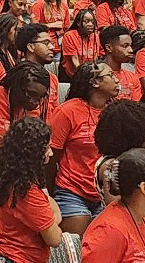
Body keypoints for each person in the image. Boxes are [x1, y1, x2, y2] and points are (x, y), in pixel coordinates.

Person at [0, 116, 65, 263]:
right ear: (33, 152)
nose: (51, 153)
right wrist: (53, 217)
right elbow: (55, 238)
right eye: (46, 148)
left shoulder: (8, 179)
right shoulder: (27, 192)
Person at [50, 61, 118, 234]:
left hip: (104, 192)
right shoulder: (68, 111)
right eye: (110, 76)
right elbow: (51, 156)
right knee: (77, 250)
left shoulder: (116, 111)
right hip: (71, 190)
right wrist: (48, 194)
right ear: (95, 82)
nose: (117, 79)